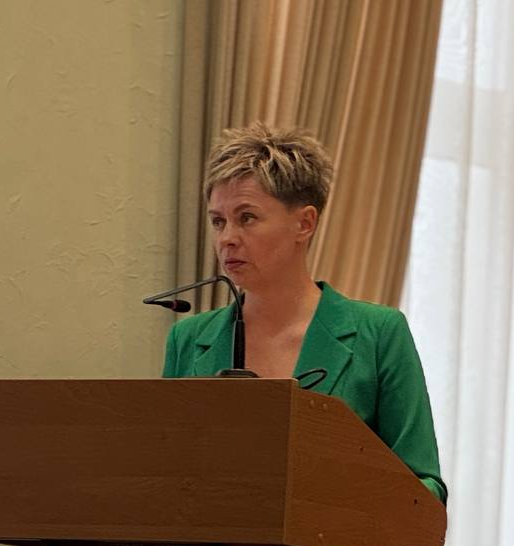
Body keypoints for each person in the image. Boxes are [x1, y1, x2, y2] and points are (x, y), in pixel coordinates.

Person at [162, 124, 447, 503]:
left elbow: (424, 489)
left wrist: (334, 496)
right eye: (218, 221)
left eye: (247, 218)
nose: (227, 238)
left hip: (337, 543)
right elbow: (164, 475)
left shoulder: (379, 333)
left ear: (305, 223)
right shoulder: (187, 339)